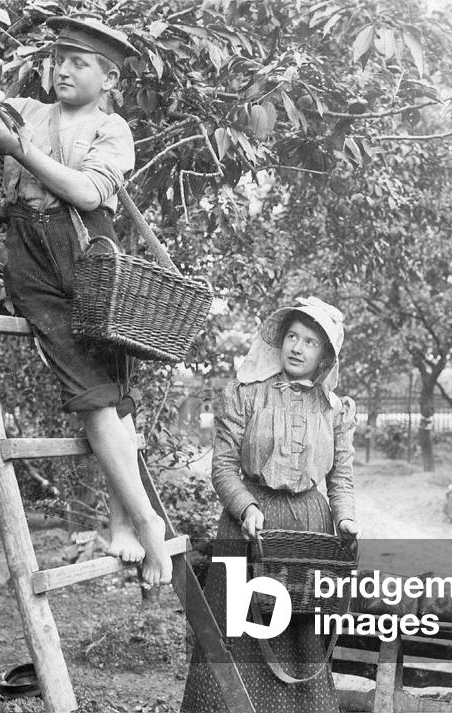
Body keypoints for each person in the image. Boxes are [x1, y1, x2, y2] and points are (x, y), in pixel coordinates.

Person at [0, 16, 172, 585]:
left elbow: (88, 191)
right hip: (32, 256)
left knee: (111, 394)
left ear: (109, 77)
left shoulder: (112, 128)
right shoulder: (26, 110)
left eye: (79, 62)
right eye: (58, 58)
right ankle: (141, 523)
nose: (62, 69)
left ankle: (137, 524)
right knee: (94, 393)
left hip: (88, 250)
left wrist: (16, 149)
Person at [180, 297, 361, 713]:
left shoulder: (336, 411)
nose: (297, 348)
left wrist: (346, 519)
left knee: (298, 635)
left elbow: (341, 479)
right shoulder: (245, 394)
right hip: (250, 528)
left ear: (325, 357)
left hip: (307, 532)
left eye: (310, 342)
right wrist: (245, 508)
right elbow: (223, 467)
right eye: (292, 337)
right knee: (237, 631)